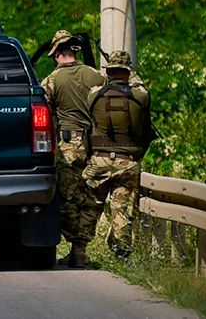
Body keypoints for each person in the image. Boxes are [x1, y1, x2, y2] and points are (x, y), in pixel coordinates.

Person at [40, 30, 105, 269]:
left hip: (68, 146)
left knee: (66, 198)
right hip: (96, 145)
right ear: (74, 52)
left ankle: (75, 248)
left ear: (57, 54)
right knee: (89, 198)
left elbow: (42, 115)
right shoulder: (96, 76)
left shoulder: (52, 80)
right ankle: (80, 250)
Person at [81, 50, 153, 259]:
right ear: (128, 71)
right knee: (122, 211)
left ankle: (79, 251)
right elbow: (140, 88)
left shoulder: (95, 94)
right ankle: (121, 253)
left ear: (110, 71)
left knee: (88, 207)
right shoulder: (140, 96)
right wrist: (131, 75)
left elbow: (100, 87)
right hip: (127, 163)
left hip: (99, 161)